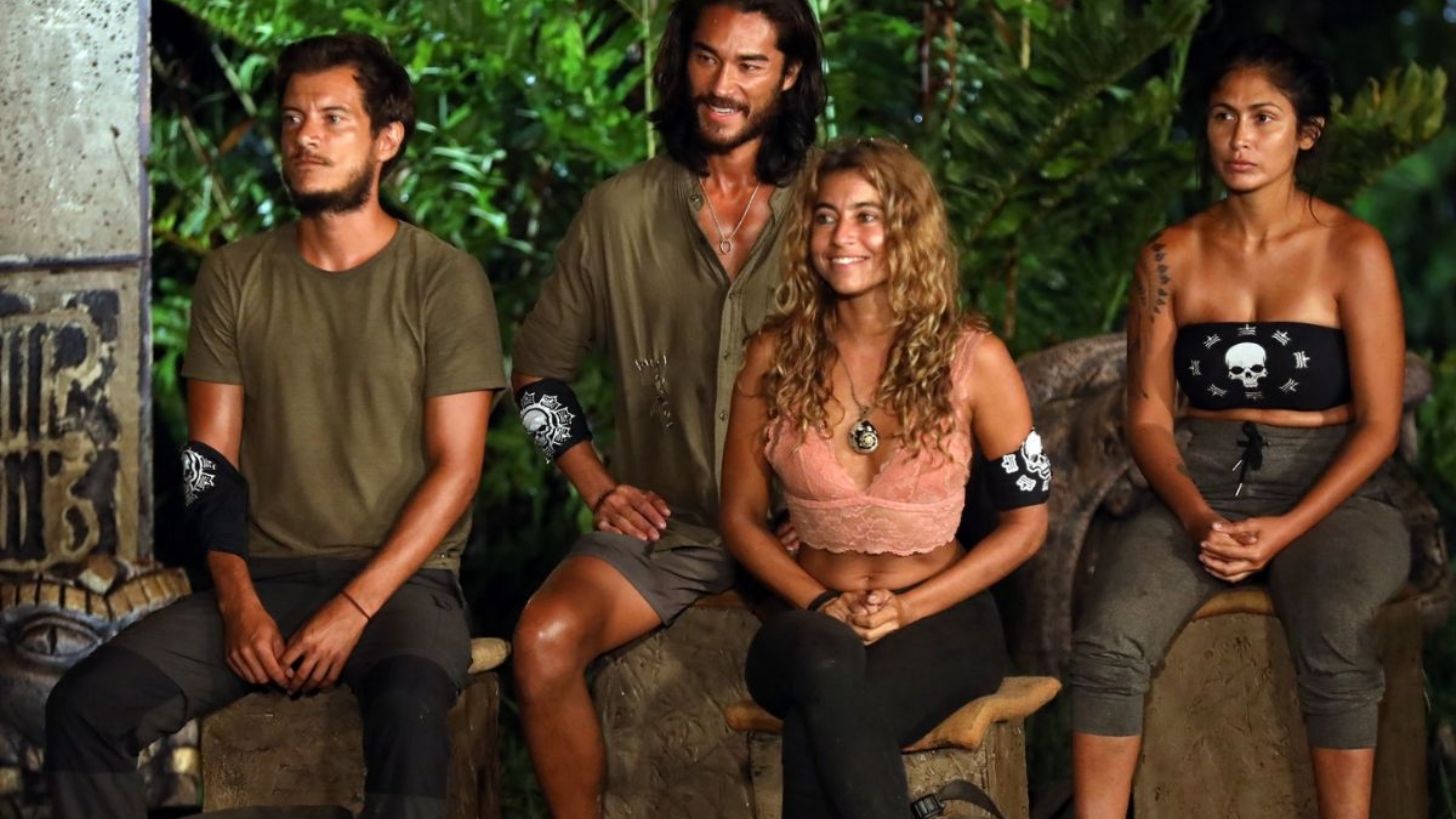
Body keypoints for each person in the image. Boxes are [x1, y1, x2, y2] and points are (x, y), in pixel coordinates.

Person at [44, 34, 505, 819]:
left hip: (404, 583)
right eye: (293, 119)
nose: (306, 137)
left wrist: (353, 607)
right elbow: (207, 463)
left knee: (409, 716)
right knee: (83, 708)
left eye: (333, 118)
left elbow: (457, 468)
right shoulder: (234, 274)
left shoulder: (444, 279)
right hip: (262, 575)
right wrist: (236, 600)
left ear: (388, 139)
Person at [1068, 35, 1409, 819]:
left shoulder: (1352, 250)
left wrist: (1285, 527)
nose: (1239, 138)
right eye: (1223, 116)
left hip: (1334, 487)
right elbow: (1148, 413)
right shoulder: (1169, 256)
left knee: (1335, 631)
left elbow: (1380, 423)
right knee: (1108, 640)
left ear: (1307, 134)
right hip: (1200, 481)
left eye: (1264, 118)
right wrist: (1197, 516)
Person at [508, 1, 826, 815]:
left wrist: (835, 505)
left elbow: (906, 375)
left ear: (790, 74)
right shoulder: (617, 212)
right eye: (707, 58)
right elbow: (535, 379)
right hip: (668, 533)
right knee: (541, 641)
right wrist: (595, 483)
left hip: (809, 532)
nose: (722, 85)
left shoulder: (834, 210)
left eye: (750, 65)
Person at [719, 138, 1050, 819]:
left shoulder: (976, 359)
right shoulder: (773, 356)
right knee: (825, 658)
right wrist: (820, 603)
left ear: (908, 229)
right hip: (807, 620)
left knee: (821, 728)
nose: (843, 236)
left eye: (868, 216)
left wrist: (908, 608)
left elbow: (1027, 524)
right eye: (826, 216)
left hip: (942, 620)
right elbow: (740, 518)